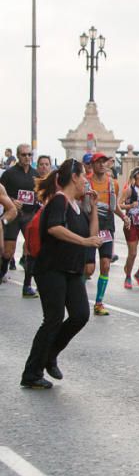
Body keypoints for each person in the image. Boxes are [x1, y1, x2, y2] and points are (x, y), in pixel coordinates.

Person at [20, 159, 103, 389]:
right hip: (51, 269)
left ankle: (50, 354)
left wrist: (94, 208)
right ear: (74, 177)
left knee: (80, 315)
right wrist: (83, 240)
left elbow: (92, 236)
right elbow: (53, 228)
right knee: (53, 319)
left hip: (72, 270)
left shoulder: (78, 206)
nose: (86, 180)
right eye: (84, 176)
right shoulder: (59, 200)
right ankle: (31, 372)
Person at [83, 153, 128, 315]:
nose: (102, 165)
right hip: (89, 228)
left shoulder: (112, 183)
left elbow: (113, 205)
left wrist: (123, 217)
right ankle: (77, 296)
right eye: (98, 162)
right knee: (88, 269)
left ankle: (99, 303)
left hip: (107, 228)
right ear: (92, 165)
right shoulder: (85, 182)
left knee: (106, 265)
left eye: (104, 162)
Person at [1, 143, 40, 296]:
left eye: (29, 155)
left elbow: (39, 193)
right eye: (24, 155)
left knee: (31, 249)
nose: (27, 158)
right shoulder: (9, 173)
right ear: (18, 156)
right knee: (8, 251)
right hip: (13, 215)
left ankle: (27, 285)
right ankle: (2, 270)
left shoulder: (35, 174)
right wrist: (12, 200)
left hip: (29, 215)